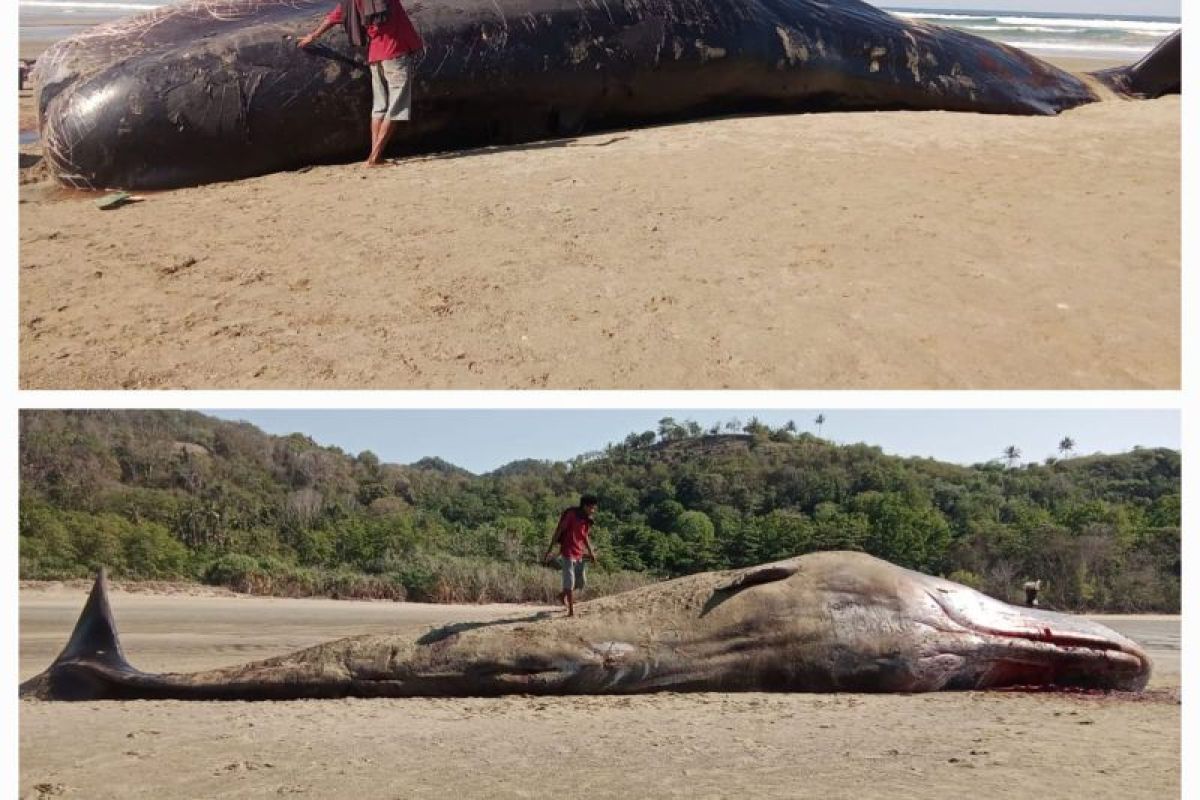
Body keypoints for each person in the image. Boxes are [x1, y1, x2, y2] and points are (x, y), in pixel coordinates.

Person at [298, 0, 423, 166]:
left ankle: (374, 155)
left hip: (375, 55)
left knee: (379, 107)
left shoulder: (352, 2)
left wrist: (312, 36)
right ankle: (375, 157)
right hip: (395, 53)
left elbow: (333, 17)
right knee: (396, 107)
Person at [543, 495, 599, 617]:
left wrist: (591, 553)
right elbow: (559, 531)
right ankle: (571, 610)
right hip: (567, 551)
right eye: (592, 508)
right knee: (570, 581)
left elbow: (585, 537)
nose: (593, 510)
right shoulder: (571, 515)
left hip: (579, 552)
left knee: (581, 582)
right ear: (585, 506)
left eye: (594, 508)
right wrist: (549, 550)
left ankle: (562, 595)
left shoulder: (587, 519)